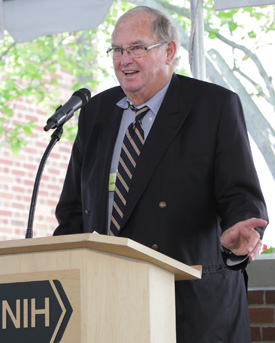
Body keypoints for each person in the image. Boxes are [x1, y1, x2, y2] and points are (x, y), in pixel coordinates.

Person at [53, 6, 268, 343]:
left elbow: (241, 196)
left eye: (137, 48)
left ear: (169, 51)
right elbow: (72, 211)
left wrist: (239, 231)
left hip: (191, 308)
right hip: (109, 304)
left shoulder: (214, 106)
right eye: (117, 50)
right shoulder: (95, 113)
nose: (124, 60)